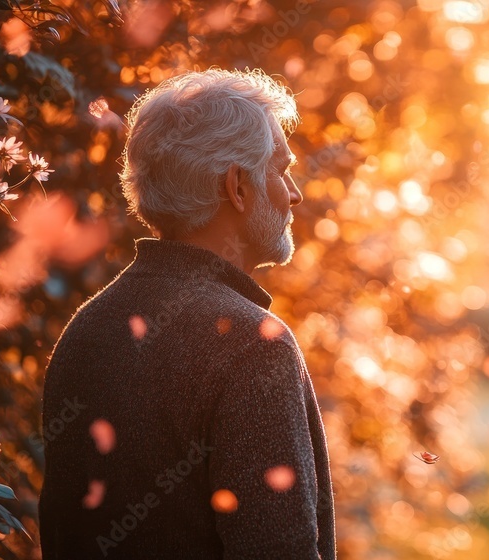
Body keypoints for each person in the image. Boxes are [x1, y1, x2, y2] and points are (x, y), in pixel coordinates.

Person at [38, 68, 336, 559]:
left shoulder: (87, 328)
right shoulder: (252, 345)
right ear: (238, 187)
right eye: (281, 171)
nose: (294, 193)